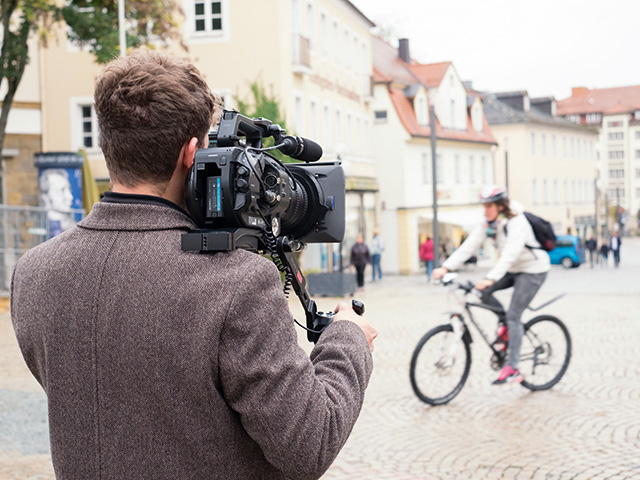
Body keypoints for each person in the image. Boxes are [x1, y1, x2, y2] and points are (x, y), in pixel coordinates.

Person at [11, 50, 377, 480]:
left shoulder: (34, 272)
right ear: (192, 154)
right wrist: (347, 341)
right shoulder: (237, 284)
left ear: (107, 143)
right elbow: (308, 443)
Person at [432, 186, 550, 385]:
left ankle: (513, 368)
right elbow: (469, 246)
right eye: (484, 205)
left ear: (500, 205)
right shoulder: (489, 224)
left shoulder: (517, 222)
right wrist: (445, 267)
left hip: (533, 270)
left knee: (514, 314)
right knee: (482, 291)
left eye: (489, 205)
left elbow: (510, 253)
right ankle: (505, 326)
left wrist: (491, 278)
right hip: (512, 269)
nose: (485, 209)